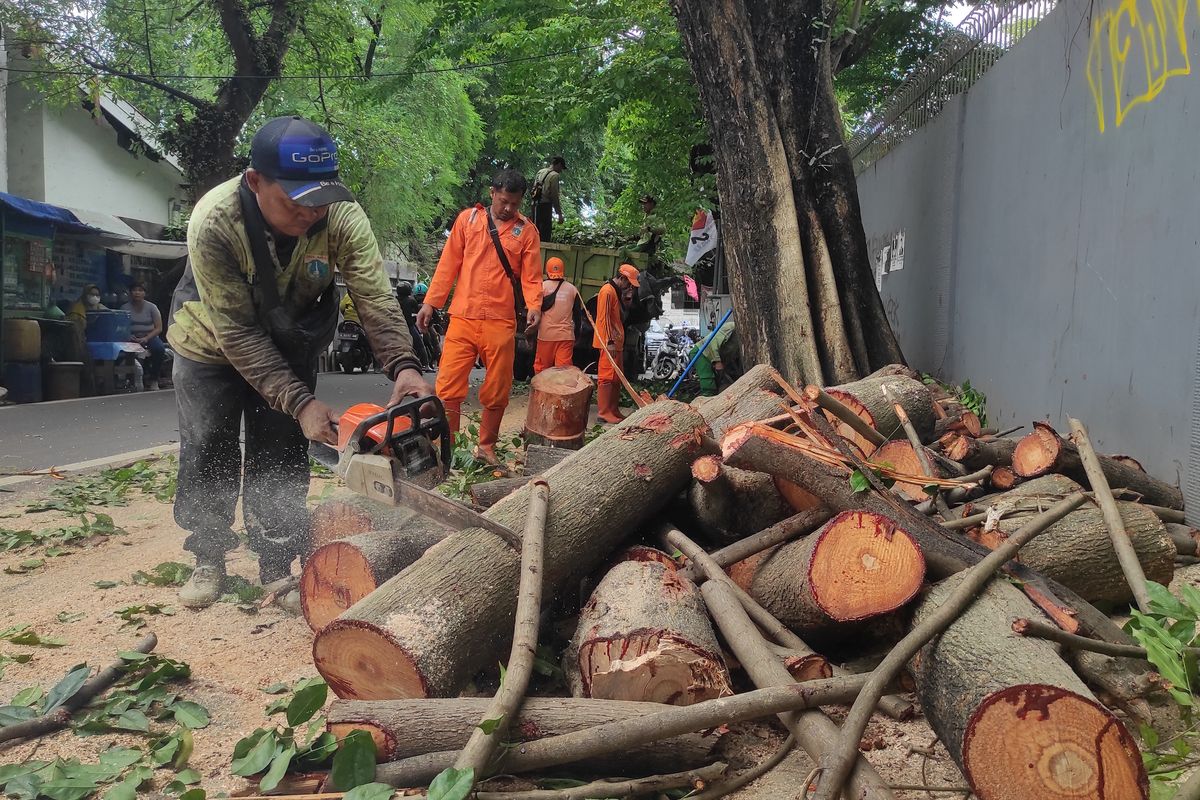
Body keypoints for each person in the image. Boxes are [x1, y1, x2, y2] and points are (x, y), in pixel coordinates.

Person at [168, 115, 431, 609]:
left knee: (283, 448)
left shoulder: (341, 216)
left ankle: (277, 566)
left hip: (290, 340)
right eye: (296, 202)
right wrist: (301, 400)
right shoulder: (214, 221)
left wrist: (405, 366)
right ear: (256, 182)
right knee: (209, 446)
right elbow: (239, 332)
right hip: (212, 342)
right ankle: (208, 555)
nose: (311, 214)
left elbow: (373, 296)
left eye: (319, 200)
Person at [416, 169, 542, 464]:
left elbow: (532, 277)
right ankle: (452, 448)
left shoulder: (527, 231)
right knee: (447, 387)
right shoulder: (467, 220)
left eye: (515, 203)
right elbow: (448, 264)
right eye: (504, 201)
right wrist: (430, 303)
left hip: (500, 321)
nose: (509, 208)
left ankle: (486, 448)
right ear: (492, 193)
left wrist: (534, 306)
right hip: (462, 317)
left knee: (498, 387)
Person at [593, 263, 639, 423]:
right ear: (622, 278)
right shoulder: (607, 291)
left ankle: (613, 409)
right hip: (609, 343)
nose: (629, 287)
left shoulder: (615, 292)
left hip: (616, 342)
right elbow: (603, 318)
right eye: (629, 283)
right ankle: (604, 412)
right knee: (606, 377)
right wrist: (609, 341)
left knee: (616, 378)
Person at [534, 257, 578, 374]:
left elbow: (533, 311)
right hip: (566, 336)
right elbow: (578, 316)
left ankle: (541, 392)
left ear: (547, 270)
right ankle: (560, 392)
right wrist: (577, 335)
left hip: (545, 336)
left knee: (542, 370)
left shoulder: (541, 287)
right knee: (563, 372)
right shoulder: (572, 289)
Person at [123, 281, 166, 390]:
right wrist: (129, 335)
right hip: (131, 337)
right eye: (134, 290)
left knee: (159, 349)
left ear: (144, 293)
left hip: (149, 336)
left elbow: (159, 328)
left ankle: (154, 379)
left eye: (140, 290)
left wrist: (146, 338)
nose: (137, 293)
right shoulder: (124, 308)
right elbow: (121, 326)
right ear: (130, 293)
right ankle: (128, 379)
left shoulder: (152, 307)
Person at [690, 320, 736, 395]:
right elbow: (713, 341)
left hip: (714, 355)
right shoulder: (731, 327)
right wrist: (717, 361)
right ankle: (706, 402)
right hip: (701, 352)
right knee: (708, 381)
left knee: (717, 383)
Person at [529, 157, 565, 243]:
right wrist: (559, 214)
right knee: (544, 235)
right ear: (559, 164)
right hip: (545, 206)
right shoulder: (554, 175)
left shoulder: (540, 172)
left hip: (535, 205)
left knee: (535, 231)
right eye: (561, 168)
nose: (561, 170)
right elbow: (554, 195)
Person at [395, 281, 429, 368]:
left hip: (397, 326)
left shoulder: (394, 300)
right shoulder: (411, 300)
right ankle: (426, 364)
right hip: (409, 326)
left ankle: (379, 365)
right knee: (420, 344)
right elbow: (417, 313)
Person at [634, 195, 665, 264]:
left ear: (652, 204)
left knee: (627, 251)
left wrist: (650, 229)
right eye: (642, 204)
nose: (643, 205)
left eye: (645, 203)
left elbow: (662, 229)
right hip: (642, 245)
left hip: (648, 247)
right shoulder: (646, 216)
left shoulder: (656, 216)